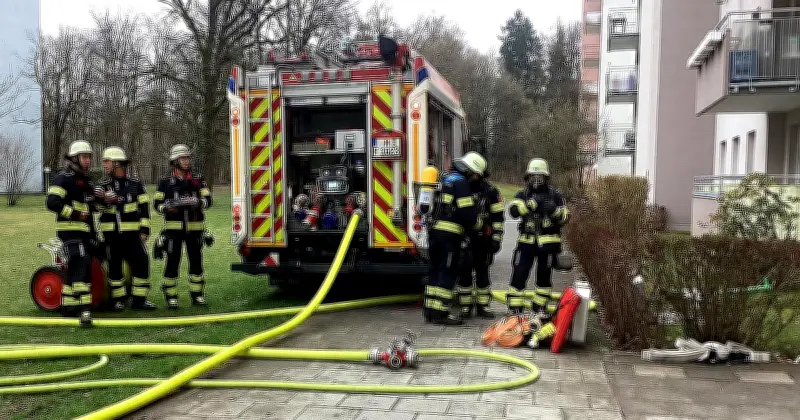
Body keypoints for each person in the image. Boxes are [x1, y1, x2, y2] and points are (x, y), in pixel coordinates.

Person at [424, 151, 486, 325]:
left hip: (434, 233)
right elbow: (466, 215)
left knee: (434, 271)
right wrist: (481, 225)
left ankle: (430, 311)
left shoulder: (445, 179)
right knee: (447, 272)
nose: (476, 179)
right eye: (476, 175)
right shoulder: (461, 184)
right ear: (471, 170)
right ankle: (441, 313)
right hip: (449, 237)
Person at [45, 140, 103, 323]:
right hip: (69, 232)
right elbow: (52, 202)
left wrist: (103, 200)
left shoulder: (87, 182)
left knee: (80, 265)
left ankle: (68, 305)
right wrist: (74, 213)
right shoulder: (63, 178)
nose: (88, 161)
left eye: (89, 157)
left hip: (86, 233)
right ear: (75, 158)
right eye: (85, 157)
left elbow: (92, 208)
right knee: (81, 261)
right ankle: (84, 308)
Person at [506, 158, 569, 315]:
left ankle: (539, 307)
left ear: (546, 177)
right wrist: (529, 206)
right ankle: (515, 307)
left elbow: (566, 217)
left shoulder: (556, 195)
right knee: (519, 273)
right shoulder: (522, 194)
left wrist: (554, 211)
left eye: (540, 176)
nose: (536, 180)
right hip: (526, 243)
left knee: (544, 277)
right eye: (533, 177)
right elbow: (513, 212)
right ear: (527, 177)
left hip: (548, 245)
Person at [153, 144, 213, 309]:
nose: (187, 161)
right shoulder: (165, 182)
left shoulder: (197, 179)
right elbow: (156, 204)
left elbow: (209, 200)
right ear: (174, 161)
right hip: (173, 231)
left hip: (195, 230)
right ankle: (171, 297)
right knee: (172, 262)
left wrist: (199, 202)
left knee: (196, 262)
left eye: (188, 158)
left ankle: (197, 295)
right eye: (183, 158)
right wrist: (166, 207)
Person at [96, 146, 157, 311]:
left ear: (117, 163)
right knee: (114, 268)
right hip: (112, 236)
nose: (104, 165)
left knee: (142, 262)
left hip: (132, 237)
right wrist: (105, 200)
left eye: (107, 161)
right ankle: (118, 300)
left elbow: (144, 209)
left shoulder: (135, 184)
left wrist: (144, 230)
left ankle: (139, 300)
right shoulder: (102, 185)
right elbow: (95, 207)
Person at [456, 170, 505, 319]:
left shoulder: (491, 192)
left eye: (476, 174)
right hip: (465, 239)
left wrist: (496, 238)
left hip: (484, 240)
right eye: (471, 173)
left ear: (483, 174)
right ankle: (465, 306)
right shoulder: (462, 189)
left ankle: (483, 306)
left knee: (483, 273)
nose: (473, 177)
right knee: (464, 274)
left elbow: (498, 218)